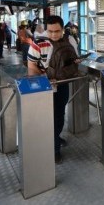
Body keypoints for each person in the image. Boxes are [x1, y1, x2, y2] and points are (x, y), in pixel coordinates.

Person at [27, 15, 75, 164]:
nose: (54, 34)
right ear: (46, 30)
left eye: (57, 31)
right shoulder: (38, 44)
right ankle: (54, 150)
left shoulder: (69, 41)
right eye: (50, 31)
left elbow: (71, 62)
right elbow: (31, 66)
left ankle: (56, 137)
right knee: (49, 117)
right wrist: (43, 82)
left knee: (59, 114)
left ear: (62, 30)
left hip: (62, 85)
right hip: (45, 87)